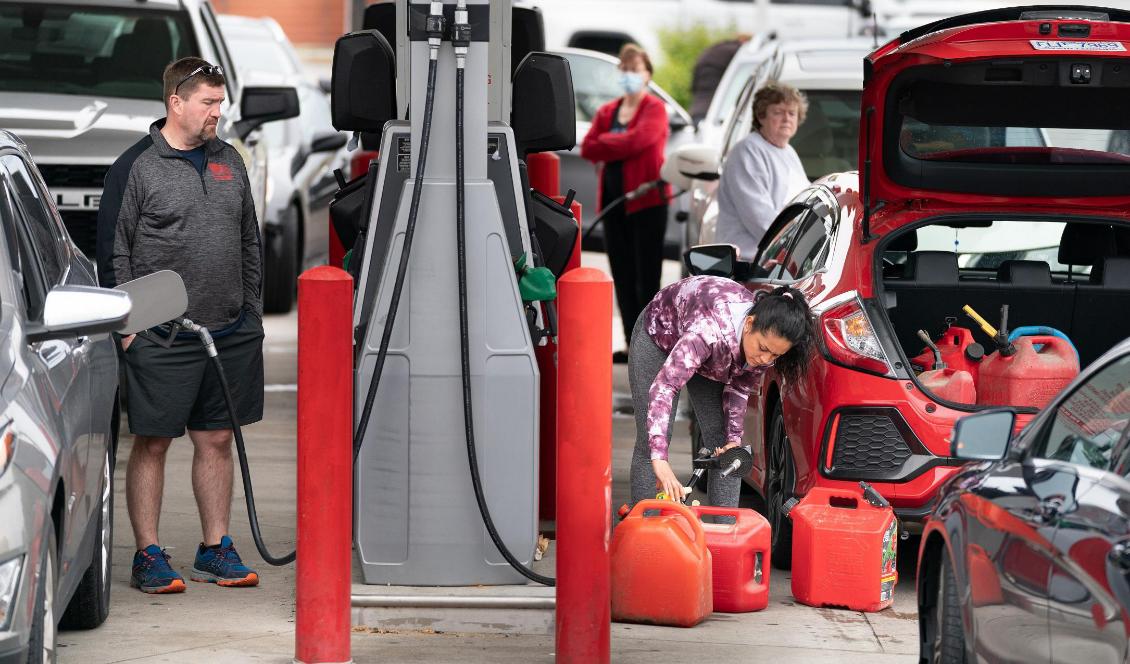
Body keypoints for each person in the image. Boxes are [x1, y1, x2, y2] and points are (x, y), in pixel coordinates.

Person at [97, 57, 265, 593]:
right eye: (209, 103)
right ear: (176, 102)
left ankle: (215, 548)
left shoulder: (229, 160)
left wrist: (253, 315)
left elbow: (249, 241)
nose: (218, 112)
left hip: (229, 329)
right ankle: (148, 555)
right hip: (161, 334)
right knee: (152, 442)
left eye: (221, 103)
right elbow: (114, 249)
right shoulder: (136, 166)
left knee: (215, 438)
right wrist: (128, 324)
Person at [629, 277, 815, 507]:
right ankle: (643, 531)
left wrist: (733, 438)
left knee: (728, 450)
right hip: (661, 336)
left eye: (775, 355)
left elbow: (740, 386)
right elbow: (666, 385)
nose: (765, 359)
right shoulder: (708, 332)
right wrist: (659, 458)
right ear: (749, 323)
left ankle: (725, 532)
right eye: (764, 349)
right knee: (653, 442)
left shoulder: (764, 346)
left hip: (711, 356)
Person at [581, 43, 672, 363]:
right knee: (621, 272)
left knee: (646, 276)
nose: (630, 75)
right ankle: (631, 344)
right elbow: (588, 148)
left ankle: (651, 345)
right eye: (625, 70)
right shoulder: (608, 111)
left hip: (646, 202)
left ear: (647, 74)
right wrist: (614, 144)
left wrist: (609, 143)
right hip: (614, 203)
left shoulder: (655, 109)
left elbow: (640, 140)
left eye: (636, 70)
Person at [715, 82, 810, 259]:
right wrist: (798, 244)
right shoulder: (747, 151)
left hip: (779, 259)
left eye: (792, 113)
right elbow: (759, 217)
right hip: (747, 262)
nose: (787, 118)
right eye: (778, 112)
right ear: (761, 116)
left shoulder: (788, 152)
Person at [689, 34, 752, 124]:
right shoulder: (739, 53)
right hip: (719, 114)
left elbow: (693, 86)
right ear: (746, 42)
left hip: (697, 111)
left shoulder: (713, 49)